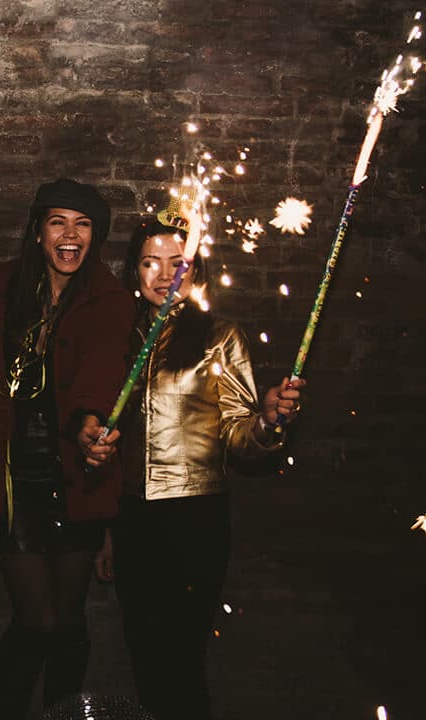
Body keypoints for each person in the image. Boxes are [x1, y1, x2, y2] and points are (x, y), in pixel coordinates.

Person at [86, 219, 305, 720]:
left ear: (197, 271)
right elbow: (111, 447)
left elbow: (238, 436)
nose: (165, 274)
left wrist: (269, 421)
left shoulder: (219, 336)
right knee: (143, 656)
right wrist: (107, 531)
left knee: (181, 662)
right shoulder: (120, 337)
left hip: (194, 519)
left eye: (178, 262)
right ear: (133, 271)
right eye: (150, 262)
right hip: (132, 519)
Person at [0, 178, 134, 719]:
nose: (70, 235)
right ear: (36, 232)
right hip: (12, 480)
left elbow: (102, 371)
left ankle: (61, 714)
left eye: (83, 224)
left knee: (68, 621)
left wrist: (89, 426)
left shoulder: (111, 301)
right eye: (58, 222)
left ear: (96, 237)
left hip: (75, 475)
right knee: (39, 620)